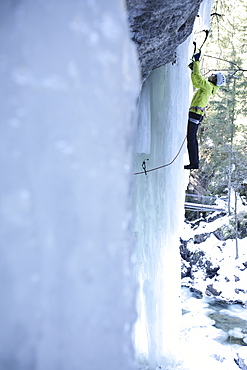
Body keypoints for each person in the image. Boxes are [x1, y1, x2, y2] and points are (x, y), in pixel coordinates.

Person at [184, 52, 225, 170]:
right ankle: (194, 162)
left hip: (195, 114)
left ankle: (194, 163)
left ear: (215, 80)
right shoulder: (208, 87)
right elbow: (196, 82)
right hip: (196, 114)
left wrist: (196, 62)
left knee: (191, 139)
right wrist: (193, 70)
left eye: (213, 76)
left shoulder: (208, 86)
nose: (211, 75)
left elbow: (199, 78)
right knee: (191, 138)